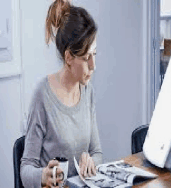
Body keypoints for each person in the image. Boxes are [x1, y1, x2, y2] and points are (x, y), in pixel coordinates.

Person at [20, 0, 102, 187]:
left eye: (95, 54)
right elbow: (25, 169)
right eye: (86, 57)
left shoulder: (88, 91)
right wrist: (43, 176)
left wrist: (91, 163)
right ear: (68, 57)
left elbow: (97, 152)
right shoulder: (42, 95)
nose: (93, 66)